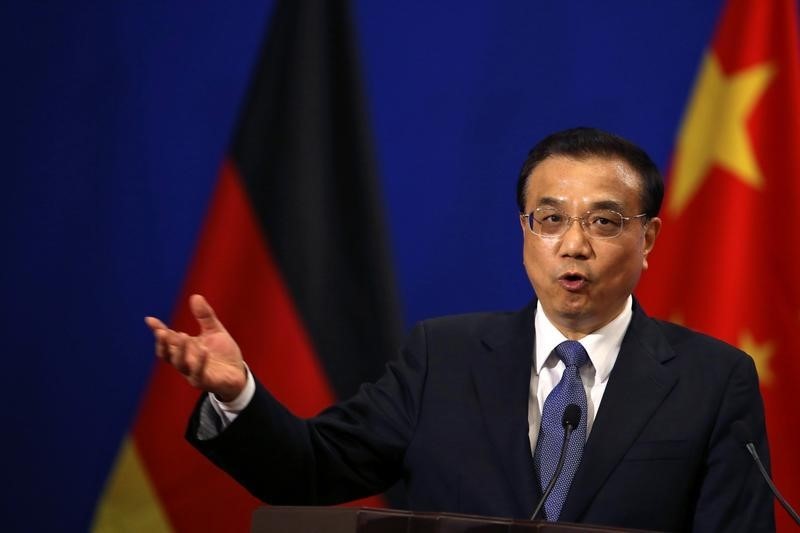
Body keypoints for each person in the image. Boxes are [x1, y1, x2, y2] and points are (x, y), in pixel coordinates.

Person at [145, 127, 774, 531]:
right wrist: (237, 395)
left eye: (604, 222)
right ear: (525, 232)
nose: (573, 245)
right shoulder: (441, 356)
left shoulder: (712, 379)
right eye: (549, 219)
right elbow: (308, 471)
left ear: (648, 240)